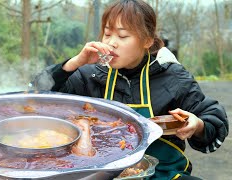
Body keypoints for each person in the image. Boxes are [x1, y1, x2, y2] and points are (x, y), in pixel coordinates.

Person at [30, 0, 229, 179]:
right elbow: (38, 95)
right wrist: (74, 63)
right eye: (107, 33)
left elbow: (213, 120)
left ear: (147, 41)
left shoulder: (173, 78)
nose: (111, 42)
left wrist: (198, 125)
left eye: (122, 35)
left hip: (163, 173)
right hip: (100, 173)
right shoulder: (89, 75)